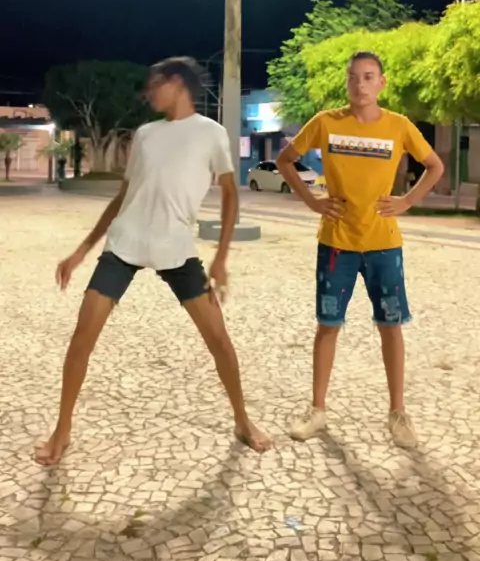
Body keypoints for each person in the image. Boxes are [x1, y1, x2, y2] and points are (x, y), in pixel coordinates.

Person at [36, 57, 271, 465]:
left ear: (177, 82)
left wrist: (221, 259)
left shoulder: (211, 133)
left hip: (176, 248)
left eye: (154, 83)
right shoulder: (145, 135)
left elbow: (231, 195)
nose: (148, 92)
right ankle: (62, 429)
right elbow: (123, 198)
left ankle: (242, 421)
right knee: (82, 337)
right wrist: (82, 250)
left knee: (219, 340)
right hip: (125, 243)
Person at [277, 51, 444, 449]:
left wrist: (406, 201)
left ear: (381, 83)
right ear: (347, 82)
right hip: (336, 243)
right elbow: (286, 160)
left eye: (369, 77)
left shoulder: (398, 126)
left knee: (391, 325)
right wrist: (312, 200)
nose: (360, 84)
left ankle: (398, 413)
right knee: (327, 325)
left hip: (384, 245)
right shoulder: (326, 122)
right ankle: (317, 410)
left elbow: (435, 166)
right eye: (353, 77)